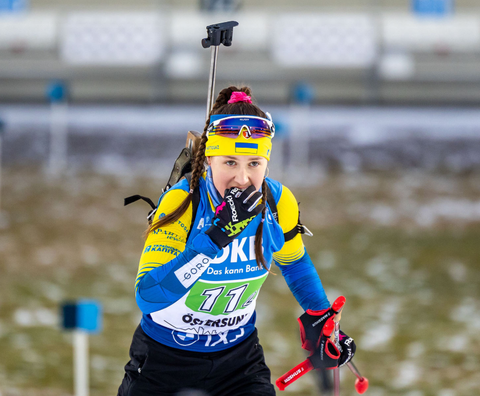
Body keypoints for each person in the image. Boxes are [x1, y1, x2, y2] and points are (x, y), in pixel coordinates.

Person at [117, 86, 355, 396]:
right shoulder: (183, 202)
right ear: (209, 160)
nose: (242, 178)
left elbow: (294, 261)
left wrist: (322, 319)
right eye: (230, 162)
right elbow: (148, 296)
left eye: (254, 163)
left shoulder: (276, 201)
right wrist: (214, 238)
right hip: (164, 359)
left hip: (238, 361)